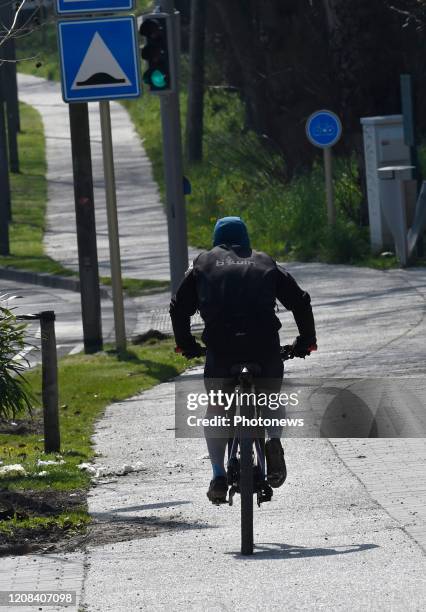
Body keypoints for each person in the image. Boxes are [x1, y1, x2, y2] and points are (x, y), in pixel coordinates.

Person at [170, 216, 317, 503]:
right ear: (246, 240)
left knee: (215, 409)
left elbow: (178, 308)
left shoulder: (201, 263)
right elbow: (300, 300)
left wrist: (186, 345)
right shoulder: (265, 261)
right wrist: (305, 341)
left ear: (216, 240)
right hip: (263, 347)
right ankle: (273, 441)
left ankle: (218, 475)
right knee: (271, 398)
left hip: (222, 350)